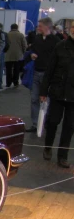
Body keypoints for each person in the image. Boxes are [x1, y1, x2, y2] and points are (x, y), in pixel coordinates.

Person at [40, 24, 74, 168]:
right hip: (57, 92)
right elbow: (50, 70)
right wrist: (43, 91)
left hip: (73, 95)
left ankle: (63, 156)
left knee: (69, 126)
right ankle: (48, 147)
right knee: (53, 122)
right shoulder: (60, 46)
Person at [28, 17, 58, 132]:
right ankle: (36, 124)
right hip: (36, 72)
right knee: (34, 99)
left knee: (46, 101)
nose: (38, 28)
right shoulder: (37, 39)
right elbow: (32, 51)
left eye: (40, 26)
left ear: (47, 26)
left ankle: (45, 122)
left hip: (48, 75)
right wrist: (32, 55)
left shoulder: (56, 41)